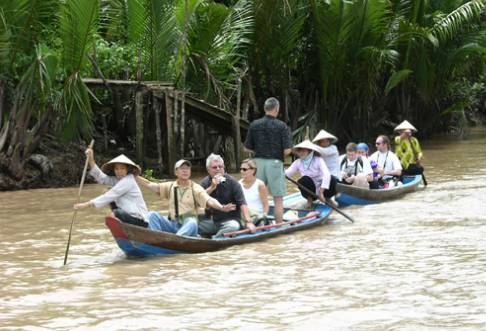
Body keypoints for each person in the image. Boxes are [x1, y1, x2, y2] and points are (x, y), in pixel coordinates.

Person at [135, 159, 236, 237]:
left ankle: (175, 240)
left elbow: (209, 200)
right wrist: (133, 175)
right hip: (173, 223)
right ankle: (156, 239)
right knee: (152, 215)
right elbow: (149, 184)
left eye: (187, 168)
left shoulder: (195, 188)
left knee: (192, 222)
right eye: (182, 169)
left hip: (187, 226)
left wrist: (222, 207)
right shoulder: (170, 186)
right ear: (176, 172)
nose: (185, 171)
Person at [244, 97, 292, 223]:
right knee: (278, 199)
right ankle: (278, 227)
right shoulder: (282, 126)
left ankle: (256, 222)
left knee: (258, 195)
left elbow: (247, 148)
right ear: (276, 109)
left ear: (265, 109)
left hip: (257, 163)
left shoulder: (254, 125)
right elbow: (287, 151)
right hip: (275, 163)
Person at [73, 149, 149, 228]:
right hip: (128, 215)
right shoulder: (117, 180)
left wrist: (86, 204)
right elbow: (101, 178)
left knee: (116, 211)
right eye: (116, 169)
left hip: (140, 220)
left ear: (127, 169)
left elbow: (111, 195)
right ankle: (120, 225)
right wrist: (91, 159)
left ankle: (120, 225)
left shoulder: (128, 180)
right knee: (107, 192)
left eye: (122, 168)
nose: (119, 171)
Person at [199, 154, 256, 238]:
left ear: (224, 168)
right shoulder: (204, 183)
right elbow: (198, 200)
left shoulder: (232, 182)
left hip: (229, 221)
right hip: (212, 222)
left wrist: (248, 222)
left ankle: (215, 240)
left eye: (220, 167)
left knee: (234, 226)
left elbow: (242, 203)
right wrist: (212, 187)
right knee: (193, 224)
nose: (218, 169)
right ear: (208, 170)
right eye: (214, 167)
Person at [285, 140, 334, 209]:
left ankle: (327, 198)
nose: (301, 153)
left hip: (322, 188)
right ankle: (309, 199)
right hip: (310, 190)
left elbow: (327, 175)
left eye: (304, 151)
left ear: (310, 152)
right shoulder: (298, 162)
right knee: (303, 180)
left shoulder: (318, 160)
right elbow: (287, 174)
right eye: (300, 151)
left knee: (333, 179)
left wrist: (321, 192)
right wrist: (279, 170)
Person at [239, 159, 270, 225]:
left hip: (256, 215)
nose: (241, 171)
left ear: (253, 171)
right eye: (240, 169)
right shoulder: (238, 184)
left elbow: (266, 205)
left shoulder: (260, 184)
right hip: (244, 215)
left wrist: (264, 217)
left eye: (244, 169)